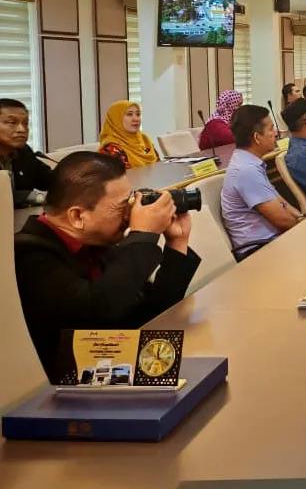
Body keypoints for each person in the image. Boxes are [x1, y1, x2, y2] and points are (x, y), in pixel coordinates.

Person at [14, 152, 200, 379]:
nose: (129, 215)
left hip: (113, 364)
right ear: (77, 216)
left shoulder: (96, 242)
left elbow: (147, 314)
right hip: (67, 384)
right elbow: (97, 316)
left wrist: (176, 243)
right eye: (122, 206)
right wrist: (143, 235)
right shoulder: (28, 255)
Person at [221, 105, 302, 260]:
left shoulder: (250, 163)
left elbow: (281, 203)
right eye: (271, 129)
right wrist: (305, 228)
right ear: (257, 137)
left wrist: (302, 219)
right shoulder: (246, 170)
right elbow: (282, 220)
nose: (276, 133)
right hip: (259, 251)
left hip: (274, 241)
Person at [0, 98, 52, 198]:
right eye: (12, 122)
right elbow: (3, 196)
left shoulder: (23, 151)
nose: (22, 129)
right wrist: (37, 197)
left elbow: (48, 180)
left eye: (25, 123)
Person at [98, 100, 158, 169]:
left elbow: (158, 165)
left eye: (138, 114)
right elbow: (118, 175)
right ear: (116, 119)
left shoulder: (144, 139)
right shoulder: (111, 149)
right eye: (129, 114)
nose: (136, 119)